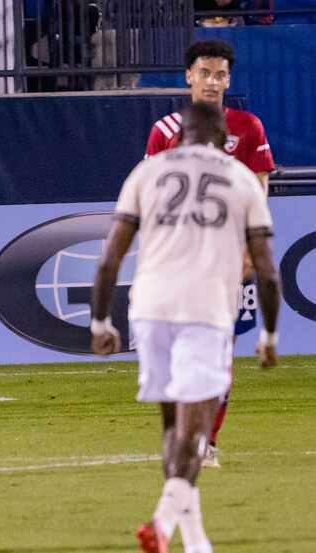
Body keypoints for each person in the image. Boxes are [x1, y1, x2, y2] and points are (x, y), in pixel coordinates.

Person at [92, 102, 280, 553]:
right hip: (206, 309)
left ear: (179, 136)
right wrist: (269, 335)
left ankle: (195, 541)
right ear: (222, 137)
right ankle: (161, 523)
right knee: (194, 432)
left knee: (172, 426)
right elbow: (268, 272)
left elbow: (110, 257)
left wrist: (100, 320)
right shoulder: (240, 179)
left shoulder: (147, 173)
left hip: (150, 308)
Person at [144, 39, 275, 468]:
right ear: (189, 76)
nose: (213, 82)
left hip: (229, 262)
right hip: (179, 261)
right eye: (205, 73)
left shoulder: (249, 127)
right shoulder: (166, 131)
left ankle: (207, 441)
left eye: (220, 75)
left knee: (221, 352)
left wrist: (250, 249)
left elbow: (258, 190)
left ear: (229, 80)